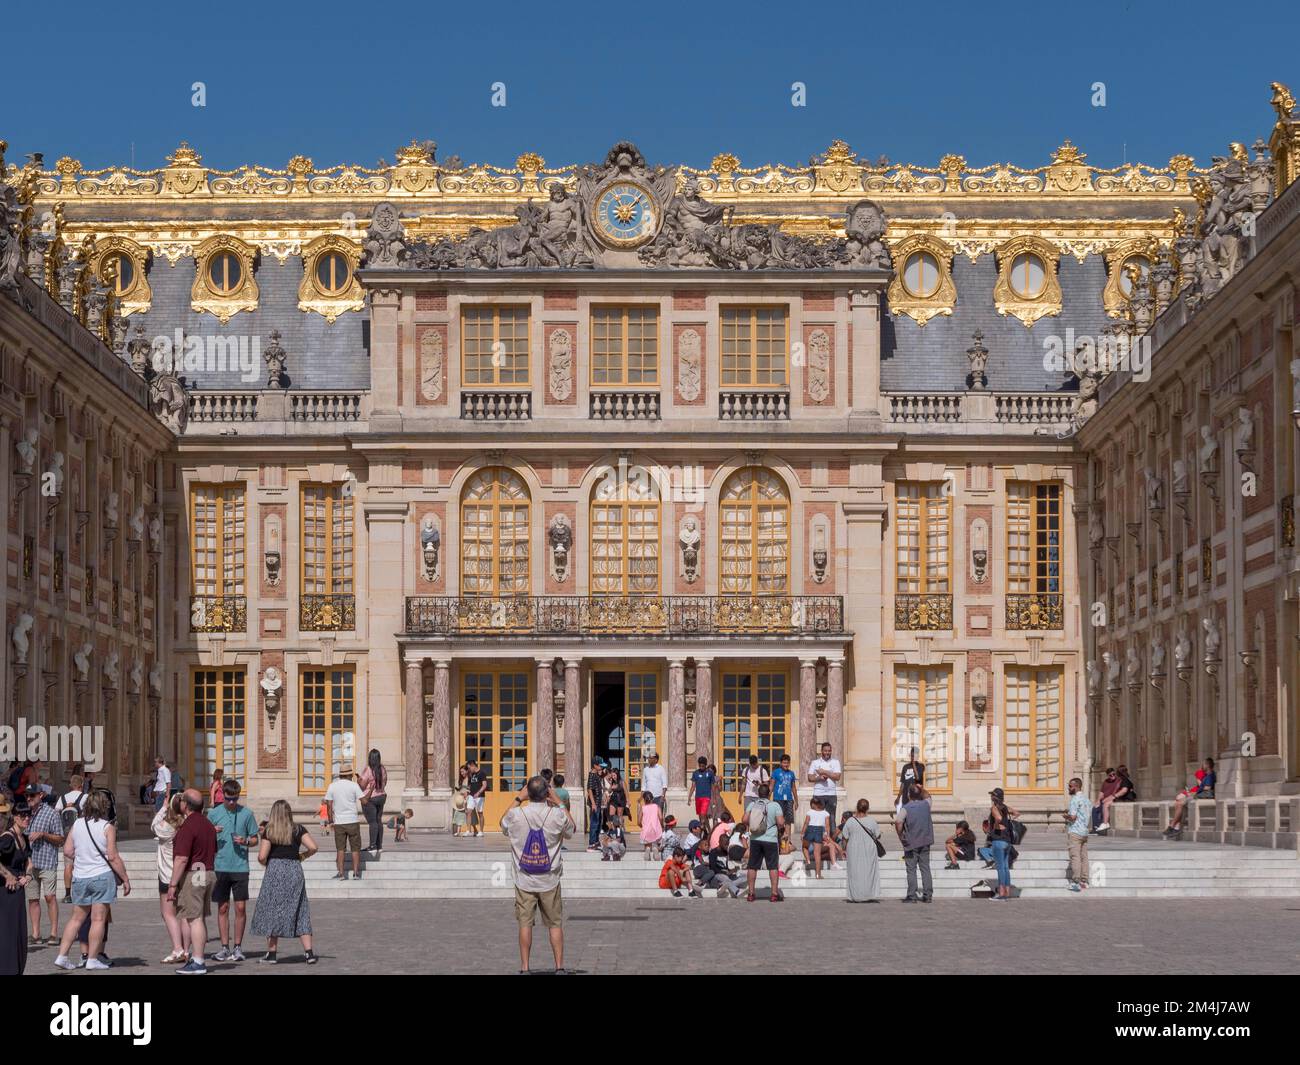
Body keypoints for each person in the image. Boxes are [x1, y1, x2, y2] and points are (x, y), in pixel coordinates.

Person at [500, 775, 575, 974]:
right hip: (549, 878)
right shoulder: (556, 815)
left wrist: (518, 798)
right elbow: (572, 828)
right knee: (555, 924)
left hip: (524, 878)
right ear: (547, 793)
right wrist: (559, 802)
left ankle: (525, 968)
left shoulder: (516, 814)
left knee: (525, 924)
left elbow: (502, 825)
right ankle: (559, 967)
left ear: (528, 793)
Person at [54, 789, 130, 970]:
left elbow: (67, 851)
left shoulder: (78, 824)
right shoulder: (107, 827)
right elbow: (112, 856)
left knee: (76, 919)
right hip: (100, 877)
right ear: (104, 807)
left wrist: (82, 855)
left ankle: (62, 955)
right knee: (98, 920)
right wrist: (125, 878)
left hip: (80, 876)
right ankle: (93, 959)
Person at [252, 799, 318, 964]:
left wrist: (264, 863)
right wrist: (302, 856)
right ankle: (309, 953)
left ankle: (272, 954)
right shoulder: (298, 829)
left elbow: (262, 856)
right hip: (294, 869)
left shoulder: (269, 830)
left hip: (275, 870)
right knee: (301, 908)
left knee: (271, 910)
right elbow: (313, 847)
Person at [207, 778, 259, 962]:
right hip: (220, 866)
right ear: (223, 796)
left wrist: (245, 841)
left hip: (240, 866)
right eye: (228, 799)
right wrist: (211, 831)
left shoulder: (246, 813)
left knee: (241, 907)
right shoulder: (213, 813)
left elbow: (255, 839)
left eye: (235, 799)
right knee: (222, 908)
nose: (231, 802)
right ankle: (224, 947)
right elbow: (204, 839)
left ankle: (237, 947)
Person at [168, 788, 218, 973]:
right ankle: (197, 958)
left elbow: (181, 858)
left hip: (194, 874)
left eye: (181, 799)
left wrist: (173, 884)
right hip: (208, 872)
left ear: (185, 805)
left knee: (194, 918)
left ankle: (198, 961)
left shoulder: (188, 826)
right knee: (198, 918)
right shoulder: (207, 824)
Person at [152, 793, 191, 964]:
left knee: (168, 913)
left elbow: (153, 825)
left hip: (168, 874)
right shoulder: (187, 825)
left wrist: (163, 807)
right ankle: (187, 950)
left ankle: (177, 948)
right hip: (184, 872)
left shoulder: (166, 827)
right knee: (184, 915)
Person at [24, 785, 63, 946]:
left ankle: (53, 933)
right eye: (27, 795)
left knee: (49, 897)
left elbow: (60, 839)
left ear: (41, 795)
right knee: (33, 899)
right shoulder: (25, 814)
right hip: (30, 863)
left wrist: (43, 834)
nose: (29, 798)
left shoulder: (51, 813)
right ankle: (36, 934)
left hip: (47, 861)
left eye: (32, 795)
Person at [0, 801, 33, 974]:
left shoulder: (24, 837)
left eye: (29, 815)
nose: (26, 818)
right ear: (14, 817)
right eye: (23, 816)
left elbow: (29, 861)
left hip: (18, 892)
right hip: (6, 892)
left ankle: (16, 969)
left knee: (19, 931)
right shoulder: (7, 837)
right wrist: (8, 875)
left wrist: (28, 875)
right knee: (8, 930)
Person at [743, 783, 784, 903]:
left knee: (752, 866)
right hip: (770, 840)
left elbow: (744, 820)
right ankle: (774, 894)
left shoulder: (752, 804)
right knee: (772, 867)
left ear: (758, 793)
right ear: (769, 794)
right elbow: (781, 822)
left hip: (755, 839)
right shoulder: (775, 805)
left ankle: (751, 893)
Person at [324, 763, 366, 881]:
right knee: (355, 848)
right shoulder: (354, 786)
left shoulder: (332, 786)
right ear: (349, 775)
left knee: (340, 849)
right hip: (353, 821)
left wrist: (331, 820)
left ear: (340, 775)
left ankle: (341, 874)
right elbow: (364, 801)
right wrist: (370, 789)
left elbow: (329, 805)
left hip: (339, 822)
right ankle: (356, 873)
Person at [895, 783, 934, 903]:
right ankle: (928, 895)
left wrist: (900, 835)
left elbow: (898, 822)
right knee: (925, 868)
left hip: (911, 842)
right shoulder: (926, 804)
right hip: (925, 840)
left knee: (911, 869)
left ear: (908, 795)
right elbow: (928, 795)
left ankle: (912, 895)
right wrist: (921, 788)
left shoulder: (906, 808)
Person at [840, 799, 882, 902]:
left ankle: (856, 895)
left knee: (854, 872)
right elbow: (878, 835)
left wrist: (843, 849)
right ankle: (869, 894)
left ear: (857, 807)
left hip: (853, 849)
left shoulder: (850, 821)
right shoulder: (872, 821)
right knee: (869, 872)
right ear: (867, 808)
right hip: (869, 849)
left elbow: (844, 837)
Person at [55, 774, 88, 904]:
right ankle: (81, 892)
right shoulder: (84, 797)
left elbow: (56, 813)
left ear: (70, 785)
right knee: (82, 863)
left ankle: (68, 894)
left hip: (67, 834)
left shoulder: (62, 798)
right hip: (81, 835)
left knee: (68, 865)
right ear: (81, 785)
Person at [987, 788, 1020, 900]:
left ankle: (1001, 894)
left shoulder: (994, 808)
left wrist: (996, 825)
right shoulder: (1005, 807)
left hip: (998, 840)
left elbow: (999, 818)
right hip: (1007, 841)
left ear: (994, 797)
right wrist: (1009, 823)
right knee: (1006, 868)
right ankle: (1007, 892)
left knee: (1000, 868)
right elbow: (1017, 813)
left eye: (992, 795)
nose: (990, 797)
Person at [1062, 777, 1091, 891]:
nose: (1068, 788)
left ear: (1076, 786)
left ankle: (1076, 882)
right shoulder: (1086, 800)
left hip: (1075, 831)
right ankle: (1085, 881)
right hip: (1084, 832)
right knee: (1084, 857)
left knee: (1075, 857)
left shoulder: (1075, 799)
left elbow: (1073, 817)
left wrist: (1066, 816)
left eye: (1070, 786)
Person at [359, 748, 388, 855]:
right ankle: (379, 845)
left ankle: (372, 846)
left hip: (370, 798)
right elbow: (386, 781)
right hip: (381, 796)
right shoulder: (383, 769)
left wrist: (358, 781)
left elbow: (362, 786)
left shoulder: (368, 770)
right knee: (378, 820)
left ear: (370, 758)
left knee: (372, 822)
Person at [801, 796, 837, 878]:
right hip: (819, 831)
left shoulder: (809, 812)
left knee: (804, 847)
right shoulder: (825, 813)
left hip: (810, 830)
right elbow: (827, 826)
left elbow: (806, 823)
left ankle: (808, 860)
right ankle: (818, 874)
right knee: (817, 854)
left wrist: (802, 833)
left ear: (813, 804)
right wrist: (827, 835)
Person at [807, 742, 842, 824]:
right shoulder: (815, 762)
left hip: (831, 794)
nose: (827, 753)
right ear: (821, 751)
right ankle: (818, 836)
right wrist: (819, 778)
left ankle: (831, 836)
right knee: (816, 819)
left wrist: (824, 772)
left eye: (829, 751)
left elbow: (837, 777)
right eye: (825, 751)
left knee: (831, 819)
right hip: (818, 794)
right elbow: (810, 777)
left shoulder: (835, 762)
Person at [1097, 765, 1136, 832]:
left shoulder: (1125, 780)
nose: (1114, 775)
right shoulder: (1122, 780)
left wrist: (1113, 797)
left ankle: (1105, 823)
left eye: (1115, 773)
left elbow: (1124, 790)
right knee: (1104, 803)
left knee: (1106, 804)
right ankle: (1104, 823)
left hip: (1126, 800)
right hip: (1122, 799)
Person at [772, 753, 798, 846]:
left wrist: (796, 800)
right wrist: (767, 798)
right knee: (779, 820)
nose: (786, 765)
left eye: (787, 763)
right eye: (784, 763)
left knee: (788, 820)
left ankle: (788, 840)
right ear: (780, 763)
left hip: (789, 799)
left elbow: (793, 787)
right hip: (778, 799)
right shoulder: (776, 772)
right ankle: (778, 839)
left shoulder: (791, 773)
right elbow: (772, 785)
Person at [688, 756, 715, 830]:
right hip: (698, 797)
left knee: (703, 814)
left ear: (705, 765)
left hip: (706, 797)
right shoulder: (695, 773)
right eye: (700, 765)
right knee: (701, 816)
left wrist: (714, 798)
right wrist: (689, 797)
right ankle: (708, 830)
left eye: (703, 766)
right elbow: (693, 786)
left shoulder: (710, 773)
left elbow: (713, 786)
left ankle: (702, 829)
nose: (701, 767)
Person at [586, 758, 607, 850]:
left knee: (598, 823)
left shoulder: (596, 775)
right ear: (595, 765)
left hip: (598, 802)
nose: (601, 767)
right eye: (600, 765)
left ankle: (596, 842)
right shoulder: (592, 775)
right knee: (594, 823)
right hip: (595, 803)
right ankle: (591, 844)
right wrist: (593, 804)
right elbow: (589, 790)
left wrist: (604, 772)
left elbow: (602, 778)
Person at [897, 747, 925, 812]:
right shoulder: (905, 767)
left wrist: (913, 764)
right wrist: (898, 797)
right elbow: (903, 783)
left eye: (914, 756)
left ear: (918, 756)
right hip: (905, 799)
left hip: (916, 799)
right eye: (911, 755)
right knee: (905, 818)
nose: (912, 758)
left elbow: (918, 778)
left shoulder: (921, 766)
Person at [465, 758, 488, 837]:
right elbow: (469, 785)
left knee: (480, 813)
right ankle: (468, 830)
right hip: (471, 795)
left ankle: (481, 831)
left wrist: (478, 793)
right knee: (468, 812)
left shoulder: (482, 773)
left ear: (473, 766)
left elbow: (484, 785)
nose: (469, 770)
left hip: (480, 796)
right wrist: (467, 792)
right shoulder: (471, 774)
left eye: (469, 768)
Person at [639, 791, 664, 860]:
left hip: (646, 831)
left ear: (644, 799)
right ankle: (655, 849)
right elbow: (661, 818)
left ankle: (647, 849)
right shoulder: (657, 806)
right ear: (652, 799)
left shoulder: (643, 808)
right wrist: (661, 825)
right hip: (656, 830)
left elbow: (638, 821)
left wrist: (642, 826)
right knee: (656, 842)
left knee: (647, 844)